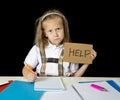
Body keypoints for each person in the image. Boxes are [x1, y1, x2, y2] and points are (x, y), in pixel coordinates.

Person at [22, 9, 97, 82]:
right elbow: (25, 69)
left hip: (65, 86)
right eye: (50, 31)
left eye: (58, 29)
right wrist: (28, 75)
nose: (55, 34)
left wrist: (86, 63)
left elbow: (75, 77)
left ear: (64, 29)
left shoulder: (71, 50)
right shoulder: (38, 48)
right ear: (45, 33)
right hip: (41, 84)